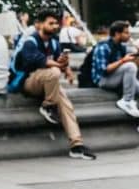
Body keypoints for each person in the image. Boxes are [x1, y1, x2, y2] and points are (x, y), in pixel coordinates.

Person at [16, 9, 96, 160]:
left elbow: (58, 61)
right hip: (29, 83)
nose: (55, 26)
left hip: (49, 83)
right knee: (53, 71)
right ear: (38, 24)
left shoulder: (54, 42)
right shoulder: (30, 42)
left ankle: (76, 145)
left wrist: (67, 68)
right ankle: (48, 106)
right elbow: (42, 61)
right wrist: (60, 67)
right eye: (50, 23)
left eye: (56, 23)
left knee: (67, 106)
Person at [91, 20, 139, 118]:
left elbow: (133, 57)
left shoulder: (120, 46)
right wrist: (123, 61)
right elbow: (104, 70)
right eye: (126, 33)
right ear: (117, 34)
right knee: (130, 66)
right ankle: (127, 101)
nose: (129, 35)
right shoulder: (103, 47)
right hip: (103, 80)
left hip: (115, 77)